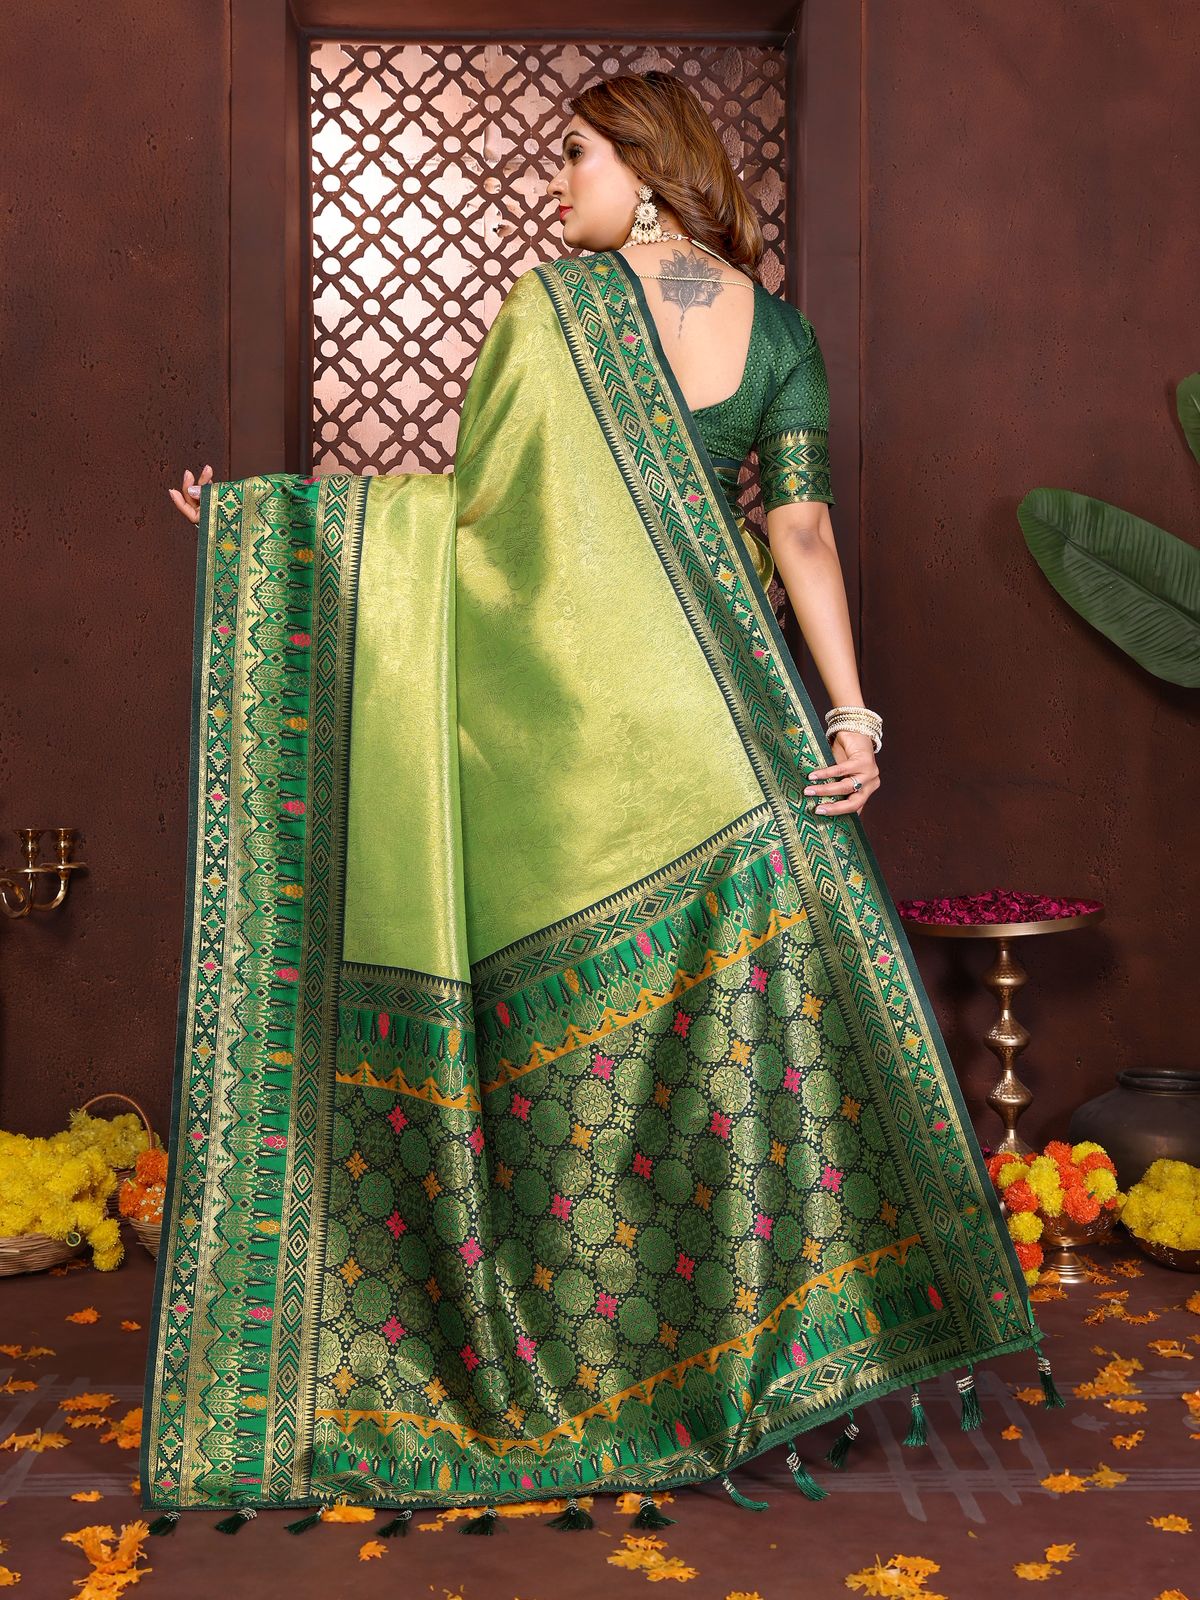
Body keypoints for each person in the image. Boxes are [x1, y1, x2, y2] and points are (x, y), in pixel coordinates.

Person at [147, 69, 1057, 1539]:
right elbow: (801, 530)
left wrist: (272, 532)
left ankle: (585, 1369)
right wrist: (851, 718)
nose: (554, 181)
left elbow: (482, 534)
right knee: (713, 1064)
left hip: (571, 770)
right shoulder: (780, 333)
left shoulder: (553, 311)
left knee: (554, 1069)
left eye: (576, 153)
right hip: (733, 749)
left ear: (643, 165)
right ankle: (735, 1374)